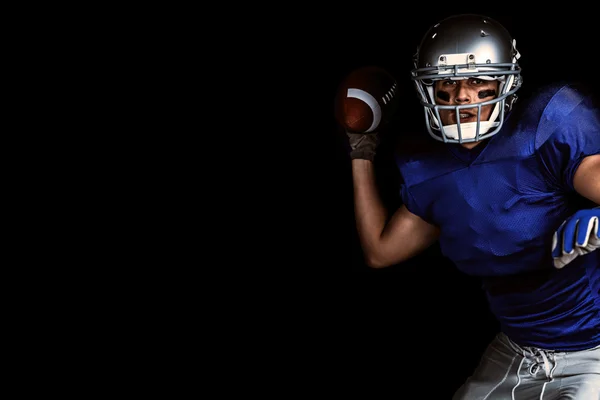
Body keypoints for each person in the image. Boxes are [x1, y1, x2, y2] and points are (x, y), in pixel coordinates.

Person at [342, 14, 600, 399]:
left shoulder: (548, 127)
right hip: (514, 351)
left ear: (505, 81)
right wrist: (360, 152)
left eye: (478, 80)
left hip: (593, 349)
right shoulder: (427, 166)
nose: (462, 95)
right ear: (429, 88)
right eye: (448, 82)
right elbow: (380, 252)